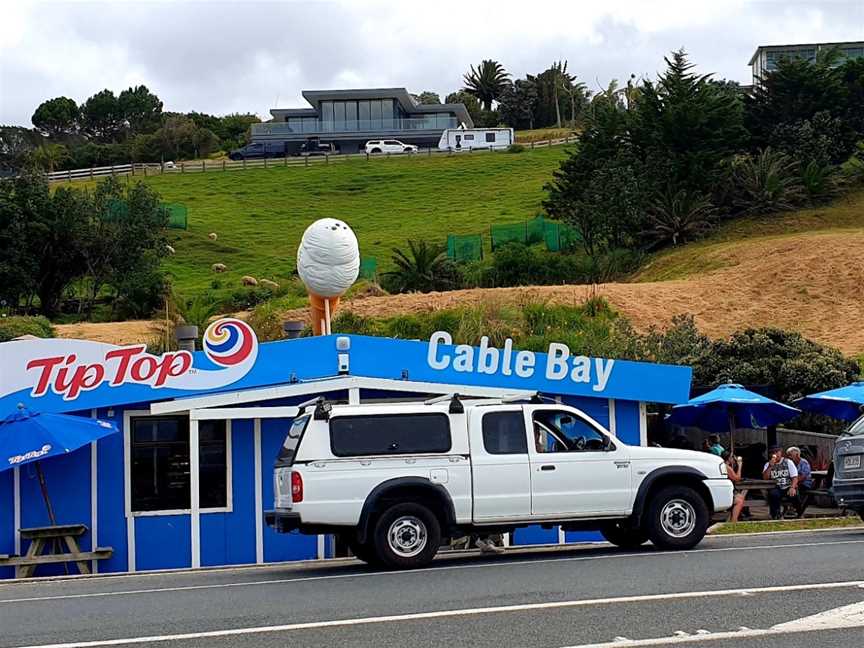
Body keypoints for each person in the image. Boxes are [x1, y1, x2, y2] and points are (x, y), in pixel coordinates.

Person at [762, 446, 799, 520]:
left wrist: (792, 487)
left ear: (780, 452)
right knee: (773, 494)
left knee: (794, 495)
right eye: (773, 453)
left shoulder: (788, 462)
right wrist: (770, 466)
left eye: (777, 452)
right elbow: (765, 478)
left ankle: (799, 512)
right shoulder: (767, 464)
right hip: (775, 486)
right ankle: (776, 515)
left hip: (787, 485)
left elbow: (794, 477)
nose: (775, 454)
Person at [786, 447, 813, 518]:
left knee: (795, 491)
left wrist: (794, 483)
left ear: (797, 455)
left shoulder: (804, 462)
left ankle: (798, 511)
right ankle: (797, 510)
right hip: (794, 483)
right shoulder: (790, 463)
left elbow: (803, 477)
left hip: (804, 484)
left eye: (791, 455)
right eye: (788, 455)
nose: (789, 457)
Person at [722, 451, 747, 523]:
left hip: (725, 490)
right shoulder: (727, 467)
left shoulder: (723, 465)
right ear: (729, 458)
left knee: (740, 496)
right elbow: (737, 478)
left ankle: (733, 519)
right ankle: (734, 521)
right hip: (725, 493)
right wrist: (740, 466)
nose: (734, 458)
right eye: (733, 457)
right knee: (739, 500)